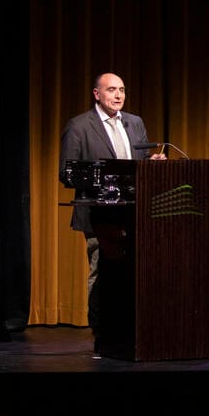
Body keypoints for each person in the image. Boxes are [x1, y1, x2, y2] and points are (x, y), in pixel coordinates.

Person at [58, 73, 166, 333]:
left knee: (136, 271)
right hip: (100, 213)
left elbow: (138, 166)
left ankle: (132, 328)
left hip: (134, 210)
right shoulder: (79, 126)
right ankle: (101, 332)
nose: (118, 96)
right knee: (102, 269)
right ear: (97, 94)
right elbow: (66, 174)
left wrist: (151, 166)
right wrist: (104, 177)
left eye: (122, 90)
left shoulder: (134, 123)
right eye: (111, 90)